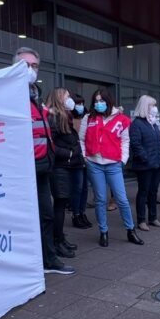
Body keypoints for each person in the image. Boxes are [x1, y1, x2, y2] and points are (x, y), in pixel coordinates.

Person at [15, 47, 74, 275]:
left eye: (34, 65)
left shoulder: (35, 96)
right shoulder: (10, 95)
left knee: (46, 215)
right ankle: (32, 263)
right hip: (22, 170)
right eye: (24, 65)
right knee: (28, 219)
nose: (30, 69)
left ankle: (48, 260)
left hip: (42, 167)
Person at [79, 88, 144, 245]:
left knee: (122, 199)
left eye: (102, 100)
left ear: (108, 101)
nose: (99, 103)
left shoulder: (121, 119)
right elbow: (80, 139)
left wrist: (123, 159)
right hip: (94, 164)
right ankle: (103, 231)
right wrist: (85, 157)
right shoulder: (88, 118)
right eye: (96, 101)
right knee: (100, 199)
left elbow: (125, 141)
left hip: (113, 164)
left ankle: (130, 230)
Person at [45, 88, 84, 260]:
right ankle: (57, 241)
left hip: (67, 166)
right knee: (60, 205)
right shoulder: (54, 117)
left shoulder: (65, 116)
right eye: (67, 96)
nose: (70, 99)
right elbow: (50, 143)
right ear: (59, 98)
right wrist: (67, 154)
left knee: (62, 203)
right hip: (60, 166)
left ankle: (60, 238)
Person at [130, 95, 160, 231]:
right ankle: (141, 220)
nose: (155, 108)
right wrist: (146, 158)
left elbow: (159, 143)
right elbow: (136, 144)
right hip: (144, 165)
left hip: (156, 164)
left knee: (153, 192)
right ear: (145, 106)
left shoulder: (154, 124)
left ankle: (153, 217)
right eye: (152, 105)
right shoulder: (137, 124)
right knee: (143, 192)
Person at [69, 94, 93, 230]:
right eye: (78, 103)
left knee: (84, 187)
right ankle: (75, 214)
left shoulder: (87, 118)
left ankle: (82, 212)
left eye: (82, 103)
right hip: (75, 158)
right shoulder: (69, 118)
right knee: (77, 187)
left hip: (86, 157)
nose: (80, 106)